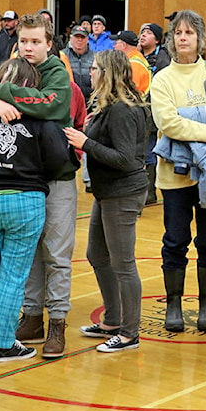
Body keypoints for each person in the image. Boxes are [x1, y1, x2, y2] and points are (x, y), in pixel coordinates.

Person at [0, 13, 80, 359]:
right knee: (26, 256)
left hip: (56, 176)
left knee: (57, 254)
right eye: (24, 42)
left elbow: (52, 106)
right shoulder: (14, 65)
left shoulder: (57, 73)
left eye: (35, 42)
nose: (28, 48)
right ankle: (32, 316)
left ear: (49, 44)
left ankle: (57, 321)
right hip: (21, 179)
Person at [152, 9, 206, 334]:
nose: (183, 38)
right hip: (174, 175)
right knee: (175, 240)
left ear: (200, 39)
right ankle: (173, 303)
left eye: (189, 32)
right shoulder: (162, 79)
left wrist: (190, 118)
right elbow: (166, 122)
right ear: (172, 40)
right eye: (178, 33)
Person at [68, 50, 149, 352]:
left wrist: (86, 143)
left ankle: (129, 334)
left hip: (123, 192)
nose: (90, 72)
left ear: (108, 73)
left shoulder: (122, 109)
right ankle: (113, 319)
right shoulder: (109, 106)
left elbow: (126, 159)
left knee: (124, 264)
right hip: (107, 192)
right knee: (97, 254)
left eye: (95, 68)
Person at [65, 26, 95, 103]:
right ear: (70, 38)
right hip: (69, 100)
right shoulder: (62, 55)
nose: (79, 39)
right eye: (76, 36)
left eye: (82, 37)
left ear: (88, 39)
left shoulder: (96, 57)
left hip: (90, 101)